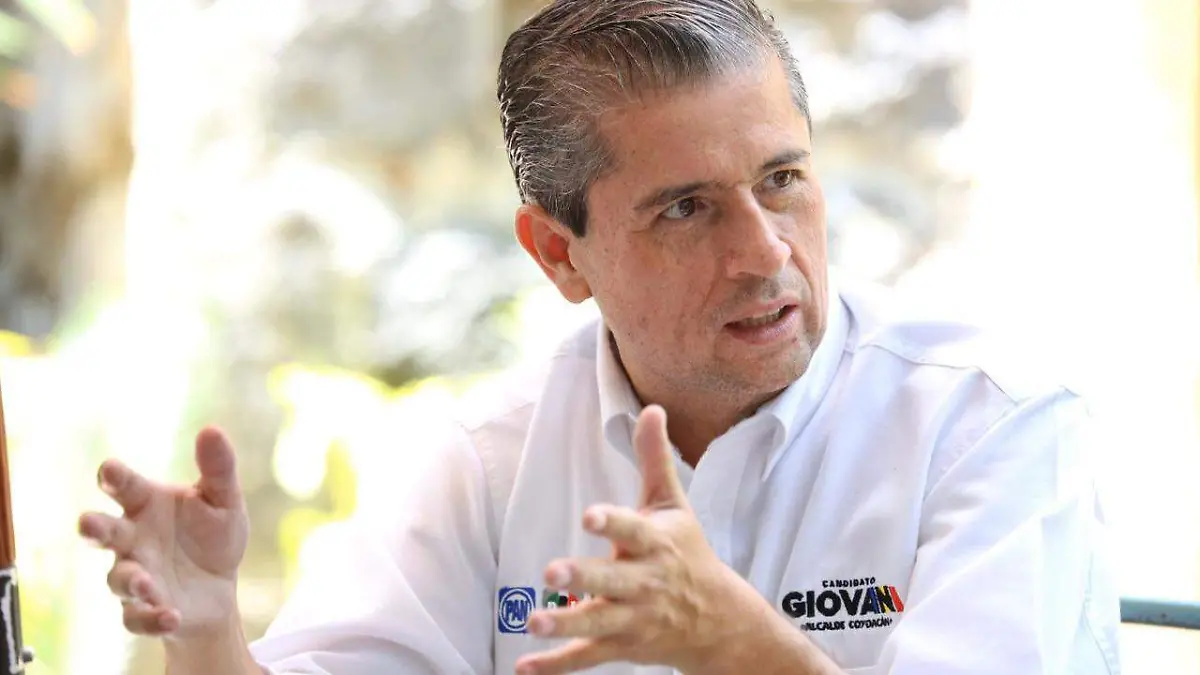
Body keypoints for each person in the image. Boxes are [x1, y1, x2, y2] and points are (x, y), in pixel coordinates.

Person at [76, 1, 1123, 673]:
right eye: (686, 209)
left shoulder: (989, 423)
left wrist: (739, 645)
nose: (764, 253)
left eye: (782, 180)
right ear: (559, 255)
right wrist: (208, 631)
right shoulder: (488, 460)